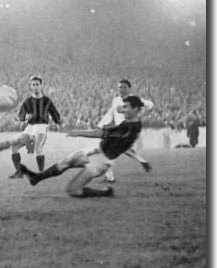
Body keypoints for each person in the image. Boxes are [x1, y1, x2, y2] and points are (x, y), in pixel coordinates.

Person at [18, 96, 148, 198]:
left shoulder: (131, 127)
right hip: (97, 150)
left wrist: (78, 132)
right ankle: (36, 178)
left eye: (126, 107)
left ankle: (104, 193)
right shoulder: (131, 122)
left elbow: (101, 133)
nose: (123, 110)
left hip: (102, 161)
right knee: (65, 162)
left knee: (73, 191)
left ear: (136, 109)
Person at [96, 79, 153, 182]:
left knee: (110, 150)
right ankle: (142, 161)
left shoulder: (134, 100)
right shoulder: (116, 100)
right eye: (120, 87)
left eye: (124, 87)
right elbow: (111, 113)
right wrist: (102, 124)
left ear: (129, 89)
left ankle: (110, 177)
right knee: (119, 150)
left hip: (128, 128)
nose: (122, 89)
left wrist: (142, 113)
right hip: (119, 128)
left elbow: (150, 105)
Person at [9, 75, 61, 179]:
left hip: (42, 126)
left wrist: (57, 123)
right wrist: (25, 117)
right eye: (33, 85)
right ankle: (19, 172)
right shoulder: (27, 102)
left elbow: (55, 114)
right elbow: (21, 116)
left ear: (41, 86)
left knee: (38, 148)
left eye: (37, 84)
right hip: (30, 127)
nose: (35, 86)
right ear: (31, 86)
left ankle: (41, 174)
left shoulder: (47, 101)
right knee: (14, 147)